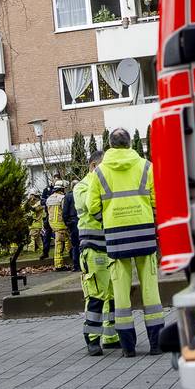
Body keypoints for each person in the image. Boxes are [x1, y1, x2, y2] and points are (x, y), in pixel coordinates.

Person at [87, 128, 163, 357]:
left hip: (116, 237)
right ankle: (156, 344)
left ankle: (128, 348)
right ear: (130, 143)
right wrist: (150, 219)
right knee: (150, 291)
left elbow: (92, 206)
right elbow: (157, 200)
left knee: (120, 294)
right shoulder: (146, 167)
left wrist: (107, 222)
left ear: (110, 144)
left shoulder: (100, 172)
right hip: (144, 234)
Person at [76, 150, 119, 356]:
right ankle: (92, 339)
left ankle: (111, 336)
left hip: (110, 247)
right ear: (93, 166)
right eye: (103, 167)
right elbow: (91, 204)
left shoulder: (105, 183)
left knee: (112, 295)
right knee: (96, 296)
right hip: (93, 248)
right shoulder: (82, 186)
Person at [46, 182, 71, 270]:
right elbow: (65, 211)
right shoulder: (62, 198)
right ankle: (59, 265)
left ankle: (72, 256)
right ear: (61, 189)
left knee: (67, 240)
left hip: (53, 224)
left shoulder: (49, 198)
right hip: (61, 224)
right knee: (60, 244)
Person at [62, 186, 80, 272]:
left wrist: (67, 223)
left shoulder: (68, 196)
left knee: (75, 245)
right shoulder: (83, 193)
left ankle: (76, 265)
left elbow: (65, 211)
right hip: (83, 219)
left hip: (73, 222)